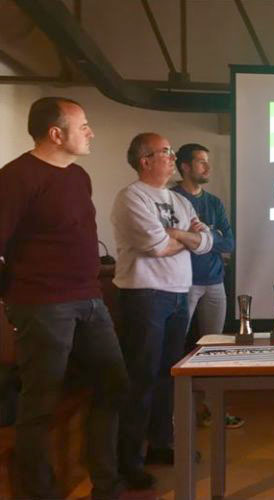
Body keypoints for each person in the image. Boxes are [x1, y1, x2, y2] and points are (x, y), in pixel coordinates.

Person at [0, 97, 129, 499]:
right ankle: (39, 494)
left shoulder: (78, 176)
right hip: (41, 304)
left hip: (90, 298)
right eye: (83, 125)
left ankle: (106, 486)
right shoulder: (15, 177)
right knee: (41, 403)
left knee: (113, 385)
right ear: (56, 134)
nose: (91, 132)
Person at [112, 133, 213, 487]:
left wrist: (179, 236)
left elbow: (207, 242)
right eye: (165, 152)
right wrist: (187, 238)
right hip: (145, 295)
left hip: (177, 294)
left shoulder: (178, 200)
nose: (172, 157)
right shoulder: (132, 197)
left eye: (171, 152)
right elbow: (155, 246)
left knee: (168, 376)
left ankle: (160, 444)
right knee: (141, 377)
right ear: (145, 160)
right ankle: (128, 461)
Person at [171, 143, 243, 429]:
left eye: (206, 161)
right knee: (176, 349)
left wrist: (203, 236)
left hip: (215, 282)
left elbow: (229, 243)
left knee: (214, 350)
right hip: (183, 284)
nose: (207, 167)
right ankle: (174, 413)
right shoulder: (171, 199)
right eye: (201, 162)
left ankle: (212, 410)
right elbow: (169, 238)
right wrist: (203, 239)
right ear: (185, 166)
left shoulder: (213, 203)